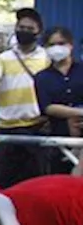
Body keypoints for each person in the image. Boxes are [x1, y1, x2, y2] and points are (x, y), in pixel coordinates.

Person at [0, 7, 50, 187]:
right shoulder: (3, 58)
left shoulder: (46, 57)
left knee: (35, 180)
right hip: (7, 127)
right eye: (21, 27)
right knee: (7, 180)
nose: (23, 31)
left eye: (29, 28)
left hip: (35, 126)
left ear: (38, 32)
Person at [34, 26, 83, 175]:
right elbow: (47, 107)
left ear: (70, 44)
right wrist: (79, 112)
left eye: (61, 43)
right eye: (51, 45)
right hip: (59, 141)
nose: (57, 48)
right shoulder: (42, 77)